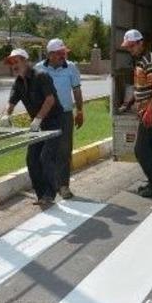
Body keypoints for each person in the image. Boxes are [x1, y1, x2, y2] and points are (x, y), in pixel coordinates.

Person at [0, 49, 63, 209]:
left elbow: (50, 100)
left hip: (53, 121)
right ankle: (41, 195)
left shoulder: (41, 76)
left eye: (16, 61)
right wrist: (6, 115)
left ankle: (50, 193)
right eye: (11, 63)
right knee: (31, 158)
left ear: (25, 61)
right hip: (37, 125)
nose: (14, 65)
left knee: (46, 157)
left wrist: (39, 118)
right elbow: (11, 102)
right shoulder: (18, 83)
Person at [118, 30, 152, 197]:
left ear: (140, 43)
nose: (129, 49)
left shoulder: (149, 60)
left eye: (131, 46)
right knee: (150, 147)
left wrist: (149, 111)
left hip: (151, 109)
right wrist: (128, 103)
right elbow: (140, 88)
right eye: (128, 47)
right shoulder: (139, 60)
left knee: (140, 149)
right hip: (146, 109)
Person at [36, 38, 84, 200]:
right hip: (47, 117)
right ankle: (50, 187)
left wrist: (80, 111)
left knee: (64, 150)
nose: (63, 55)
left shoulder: (71, 68)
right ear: (50, 55)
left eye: (64, 53)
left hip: (64, 115)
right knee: (47, 153)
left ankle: (63, 186)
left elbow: (76, 90)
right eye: (59, 53)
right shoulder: (38, 69)